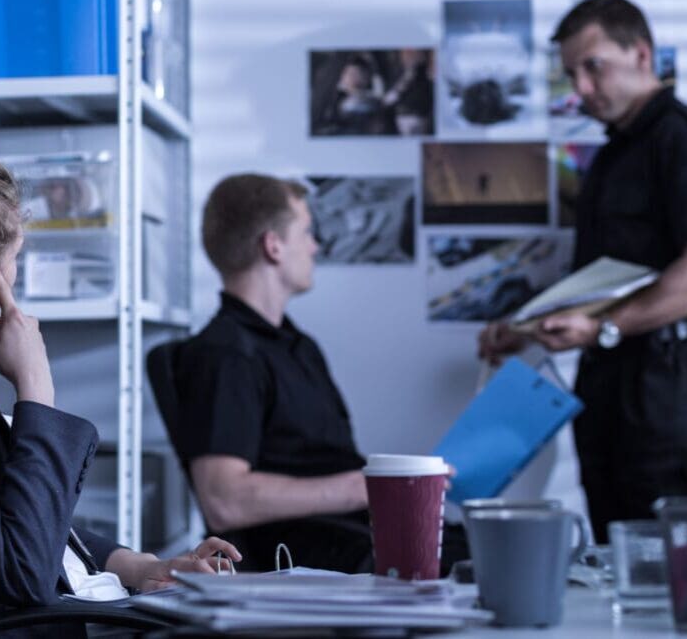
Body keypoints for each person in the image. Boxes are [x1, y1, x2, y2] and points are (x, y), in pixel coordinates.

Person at [0, 155, 240, 632]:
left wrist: (143, 568)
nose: (18, 272)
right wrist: (35, 386)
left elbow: (28, 522)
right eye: (17, 257)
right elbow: (20, 570)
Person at [478, 0, 687, 544]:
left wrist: (602, 329)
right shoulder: (613, 154)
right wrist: (523, 330)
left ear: (641, 54)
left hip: (668, 386)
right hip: (608, 385)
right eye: (572, 73)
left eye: (593, 66)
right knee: (614, 556)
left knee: (676, 568)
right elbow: (605, 281)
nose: (581, 87)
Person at [167, 173, 467, 572]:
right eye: (306, 232)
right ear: (273, 246)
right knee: (480, 560)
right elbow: (224, 499)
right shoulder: (225, 355)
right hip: (313, 553)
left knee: (484, 541)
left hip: (355, 534)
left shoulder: (298, 346)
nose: (315, 245)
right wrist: (370, 488)